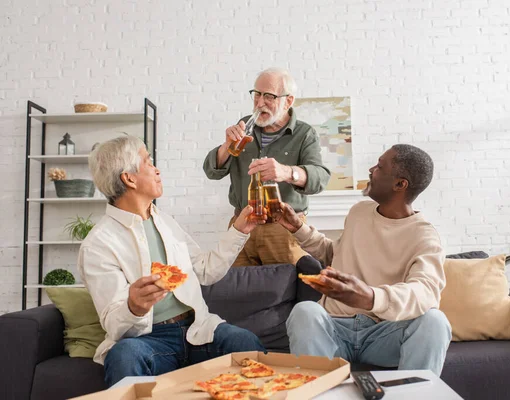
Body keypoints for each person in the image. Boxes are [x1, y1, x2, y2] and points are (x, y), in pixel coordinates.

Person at [79, 136, 266, 386]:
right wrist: (134, 306)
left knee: (244, 343)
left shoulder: (165, 222)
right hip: (150, 339)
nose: (157, 169)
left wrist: (240, 229)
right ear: (129, 178)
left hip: (197, 329)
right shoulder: (98, 244)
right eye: (148, 162)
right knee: (124, 355)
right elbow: (115, 326)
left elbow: (205, 271)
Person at [276, 144, 451, 376]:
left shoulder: (424, 235)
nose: (371, 170)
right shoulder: (359, 212)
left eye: (379, 166)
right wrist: (298, 228)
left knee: (435, 322)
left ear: (400, 184)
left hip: (383, 333)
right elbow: (334, 254)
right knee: (305, 311)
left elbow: (426, 292)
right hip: (335, 328)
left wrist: (370, 297)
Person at [203, 67, 331, 267]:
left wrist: (287, 172)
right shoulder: (244, 125)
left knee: (285, 291)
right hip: (241, 225)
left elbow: (320, 178)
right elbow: (211, 171)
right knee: (236, 291)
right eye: (257, 94)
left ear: (288, 101)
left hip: (283, 229)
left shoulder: (304, 133)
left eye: (269, 96)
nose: (260, 102)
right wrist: (226, 146)